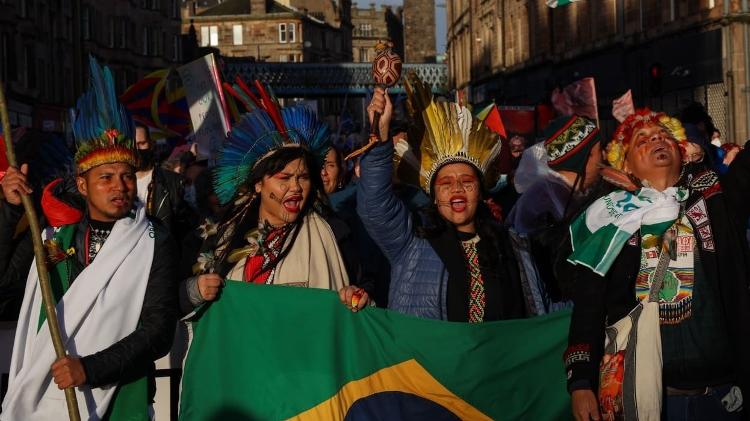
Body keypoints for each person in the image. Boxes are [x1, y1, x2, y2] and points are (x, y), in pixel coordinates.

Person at [0, 57, 179, 419]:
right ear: (82, 185)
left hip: (121, 391)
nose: (120, 187)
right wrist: (11, 210)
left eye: (127, 176)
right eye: (106, 178)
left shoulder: (154, 239)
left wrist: (90, 368)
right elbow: (3, 284)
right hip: (49, 389)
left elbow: (158, 330)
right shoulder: (49, 237)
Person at [566, 108, 750, 421]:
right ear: (625, 163)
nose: (657, 140)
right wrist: (581, 381)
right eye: (643, 140)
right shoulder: (611, 219)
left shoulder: (714, 196)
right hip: (649, 399)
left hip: (721, 396)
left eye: (664, 136)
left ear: (682, 151)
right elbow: (589, 304)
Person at [181, 81, 367, 314]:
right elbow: (173, 300)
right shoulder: (222, 235)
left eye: (303, 177)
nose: (296, 187)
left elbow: (361, 294)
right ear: (258, 184)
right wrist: (194, 291)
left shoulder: (334, 233)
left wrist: (355, 298)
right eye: (284, 178)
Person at [356, 75, 526, 321]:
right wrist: (380, 139)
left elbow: (540, 311)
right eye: (445, 183)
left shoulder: (512, 245)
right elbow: (374, 205)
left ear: (480, 191)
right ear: (433, 194)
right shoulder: (412, 243)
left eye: (467, 182)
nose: (456, 188)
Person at [506, 115, 603, 314]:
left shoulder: (562, 192)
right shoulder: (546, 197)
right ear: (583, 158)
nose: (605, 156)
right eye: (598, 151)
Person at [133, 122, 188, 239]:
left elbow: (184, 225)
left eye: (141, 143)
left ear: (151, 144)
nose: (137, 149)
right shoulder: (119, 185)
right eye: (133, 145)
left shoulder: (172, 182)